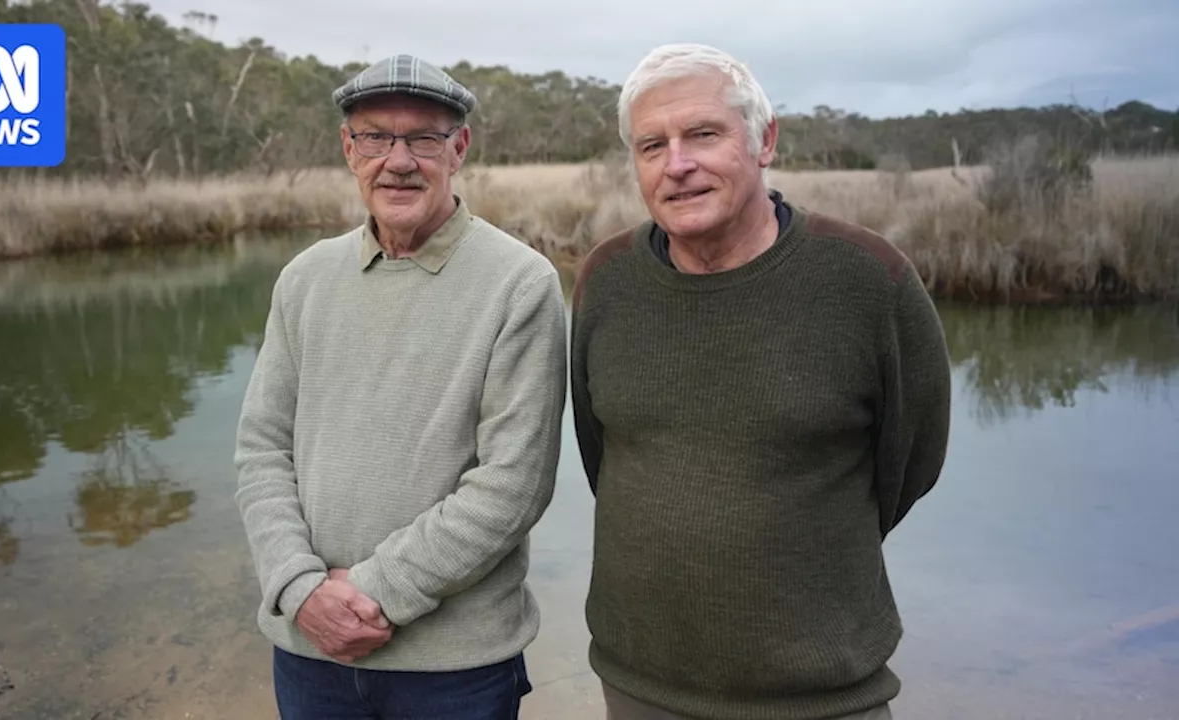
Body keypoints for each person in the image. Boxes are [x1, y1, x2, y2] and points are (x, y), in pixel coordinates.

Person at [569, 43, 953, 720]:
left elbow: (910, 466)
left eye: (704, 135)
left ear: (765, 140)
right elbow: (602, 452)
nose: (677, 164)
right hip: (638, 682)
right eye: (652, 145)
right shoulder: (607, 281)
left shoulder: (868, 281)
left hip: (822, 694)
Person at [233, 54, 567, 719]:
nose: (399, 160)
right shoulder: (305, 278)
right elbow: (262, 448)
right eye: (376, 137)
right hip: (309, 654)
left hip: (454, 672)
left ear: (459, 148)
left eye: (423, 138)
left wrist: (372, 593)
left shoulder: (521, 284)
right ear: (348, 149)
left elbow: (514, 484)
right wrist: (300, 588)